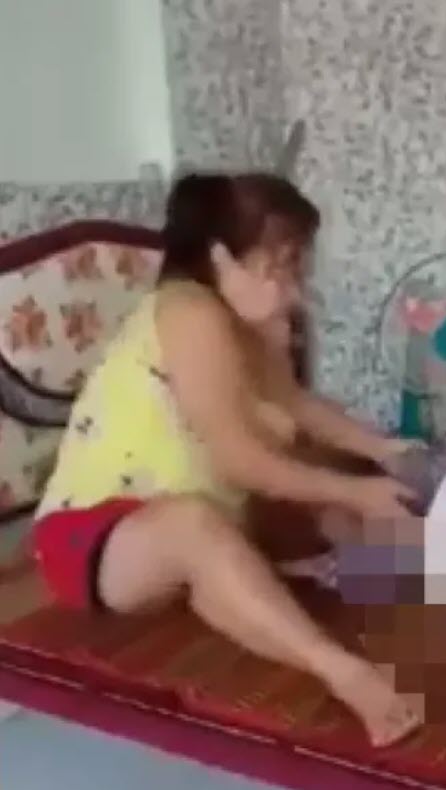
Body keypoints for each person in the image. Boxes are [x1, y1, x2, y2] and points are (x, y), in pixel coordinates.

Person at [32, 172, 421, 747]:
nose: (293, 290)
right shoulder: (187, 307)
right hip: (91, 536)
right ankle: (342, 670)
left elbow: (298, 405)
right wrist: (357, 491)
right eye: (280, 267)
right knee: (208, 520)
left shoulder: (248, 327)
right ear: (221, 258)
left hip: (187, 524)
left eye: (298, 269)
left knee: (312, 501)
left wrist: (388, 450)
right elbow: (239, 460)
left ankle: (301, 580)